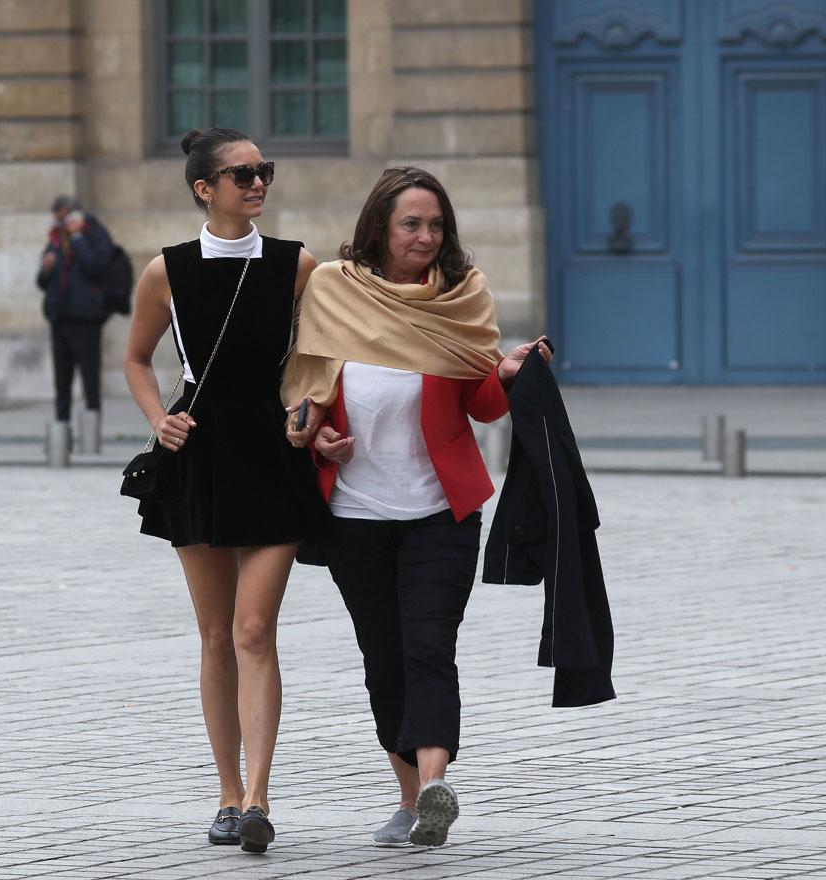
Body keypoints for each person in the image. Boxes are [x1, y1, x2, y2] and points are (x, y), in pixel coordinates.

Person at [282, 166, 551, 848]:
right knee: (384, 658)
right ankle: (409, 800)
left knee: (430, 646)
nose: (426, 237)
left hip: (442, 513)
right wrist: (320, 439)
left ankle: (435, 784)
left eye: (436, 225)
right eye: (412, 224)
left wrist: (507, 375)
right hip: (355, 517)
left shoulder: (462, 295)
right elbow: (304, 397)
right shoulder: (333, 291)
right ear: (380, 227)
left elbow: (480, 402)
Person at [122, 128, 323, 854]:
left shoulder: (297, 264)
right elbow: (137, 359)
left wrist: (316, 416)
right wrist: (159, 420)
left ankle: (261, 797)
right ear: (204, 188)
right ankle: (227, 793)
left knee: (253, 629)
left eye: (263, 171)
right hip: (199, 458)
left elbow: (329, 354)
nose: (258, 183)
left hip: (272, 454)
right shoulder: (166, 272)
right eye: (242, 174)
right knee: (214, 636)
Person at [36, 195, 115, 426]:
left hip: (86, 317)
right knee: (62, 378)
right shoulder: (56, 239)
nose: (61, 225)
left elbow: (97, 266)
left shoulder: (94, 234)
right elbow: (42, 282)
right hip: (59, 317)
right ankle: (62, 426)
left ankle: (92, 430)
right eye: (58, 221)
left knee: (89, 376)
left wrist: (78, 237)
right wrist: (45, 269)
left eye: (64, 219)